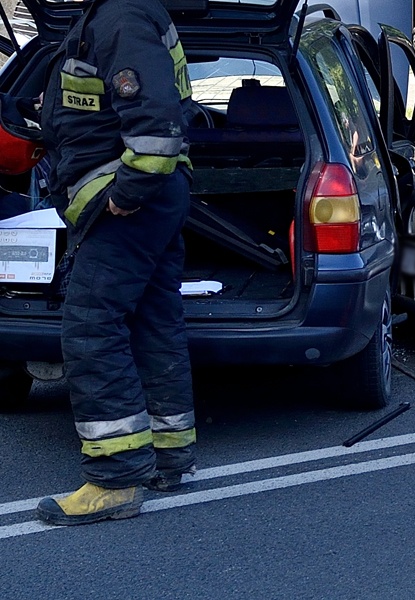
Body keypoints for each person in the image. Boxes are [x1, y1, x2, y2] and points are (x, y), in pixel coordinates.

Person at [35, 0, 196, 526]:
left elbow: (155, 128)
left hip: (130, 200)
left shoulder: (120, 18)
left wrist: (128, 191)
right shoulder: (114, 15)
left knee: (91, 329)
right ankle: (167, 454)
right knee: (154, 320)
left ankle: (116, 478)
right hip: (153, 198)